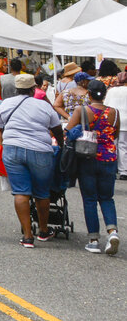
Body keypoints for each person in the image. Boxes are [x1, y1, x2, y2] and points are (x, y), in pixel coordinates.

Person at [0, 74, 64, 248]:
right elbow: (57, 130)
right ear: (34, 88)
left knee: (21, 192)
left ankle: (27, 236)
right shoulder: (43, 105)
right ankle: (43, 230)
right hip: (40, 151)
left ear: (16, 88)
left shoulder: (6, 104)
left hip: (12, 150)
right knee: (42, 192)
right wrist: (62, 147)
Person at [65, 80, 120, 255]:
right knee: (107, 198)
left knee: (89, 199)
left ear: (88, 93)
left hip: (88, 158)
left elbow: (69, 131)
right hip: (109, 158)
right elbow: (115, 134)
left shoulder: (82, 111)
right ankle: (112, 232)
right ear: (104, 94)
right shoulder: (115, 113)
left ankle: (94, 240)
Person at [104, 72, 127, 181]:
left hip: (113, 119)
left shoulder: (111, 91)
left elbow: (106, 105)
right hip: (125, 120)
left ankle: (112, 168)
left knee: (112, 144)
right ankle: (124, 170)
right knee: (123, 145)